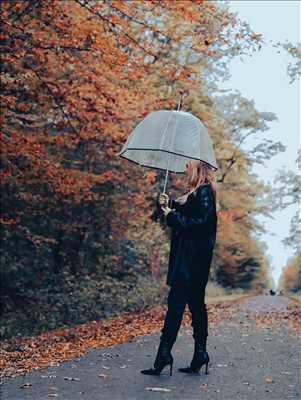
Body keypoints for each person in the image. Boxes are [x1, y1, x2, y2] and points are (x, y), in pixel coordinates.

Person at [140, 159, 218, 376]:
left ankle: (164, 356)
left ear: (198, 167)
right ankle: (199, 354)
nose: (185, 168)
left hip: (192, 262)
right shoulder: (197, 193)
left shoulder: (204, 192)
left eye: (188, 165)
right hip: (192, 261)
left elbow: (202, 224)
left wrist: (171, 215)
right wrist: (168, 204)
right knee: (194, 306)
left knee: (176, 306)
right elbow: (189, 212)